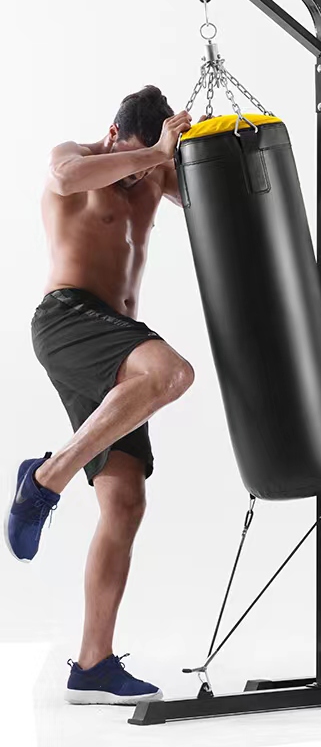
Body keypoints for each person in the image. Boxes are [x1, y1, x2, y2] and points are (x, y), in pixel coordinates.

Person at [4, 85, 200, 705]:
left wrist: (193, 146)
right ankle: (47, 479)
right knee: (172, 374)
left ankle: (92, 665)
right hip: (66, 318)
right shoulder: (78, 158)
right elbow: (64, 177)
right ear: (114, 134)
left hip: (115, 341)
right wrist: (152, 154)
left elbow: (203, 195)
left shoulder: (153, 172)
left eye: (147, 163)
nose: (137, 175)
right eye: (132, 156)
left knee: (124, 502)